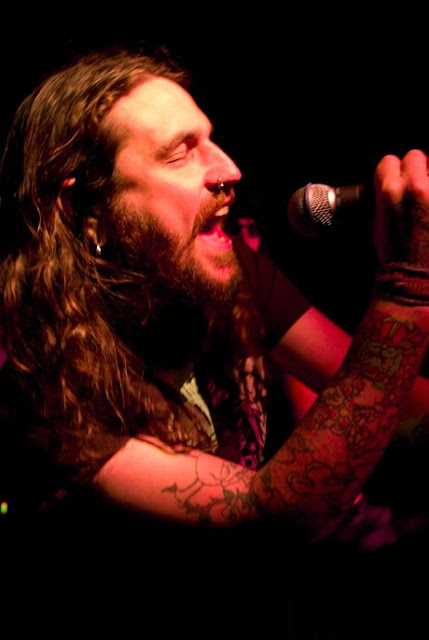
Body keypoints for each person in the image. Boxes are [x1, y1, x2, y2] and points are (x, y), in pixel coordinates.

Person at [0, 45, 428, 636]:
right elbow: (275, 511)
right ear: (85, 208)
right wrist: (407, 289)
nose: (229, 169)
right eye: (180, 153)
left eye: (211, 139)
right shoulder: (42, 386)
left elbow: (404, 404)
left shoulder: (228, 273)